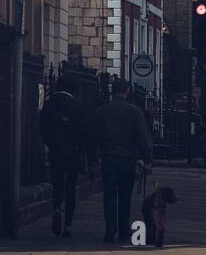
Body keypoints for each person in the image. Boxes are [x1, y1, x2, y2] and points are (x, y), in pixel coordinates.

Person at [91, 78, 153, 243]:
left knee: (109, 196)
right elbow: (142, 137)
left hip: (108, 158)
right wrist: (147, 159)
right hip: (127, 160)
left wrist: (93, 160)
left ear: (112, 91)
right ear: (126, 91)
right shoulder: (134, 111)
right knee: (125, 197)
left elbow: (94, 138)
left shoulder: (102, 111)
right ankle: (124, 230)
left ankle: (110, 228)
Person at [39, 74, 87, 237]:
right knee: (71, 186)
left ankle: (57, 208)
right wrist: (80, 146)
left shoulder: (49, 103)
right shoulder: (77, 105)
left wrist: (50, 144)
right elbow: (82, 131)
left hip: (55, 152)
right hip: (72, 152)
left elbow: (42, 126)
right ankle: (68, 225)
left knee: (57, 183)